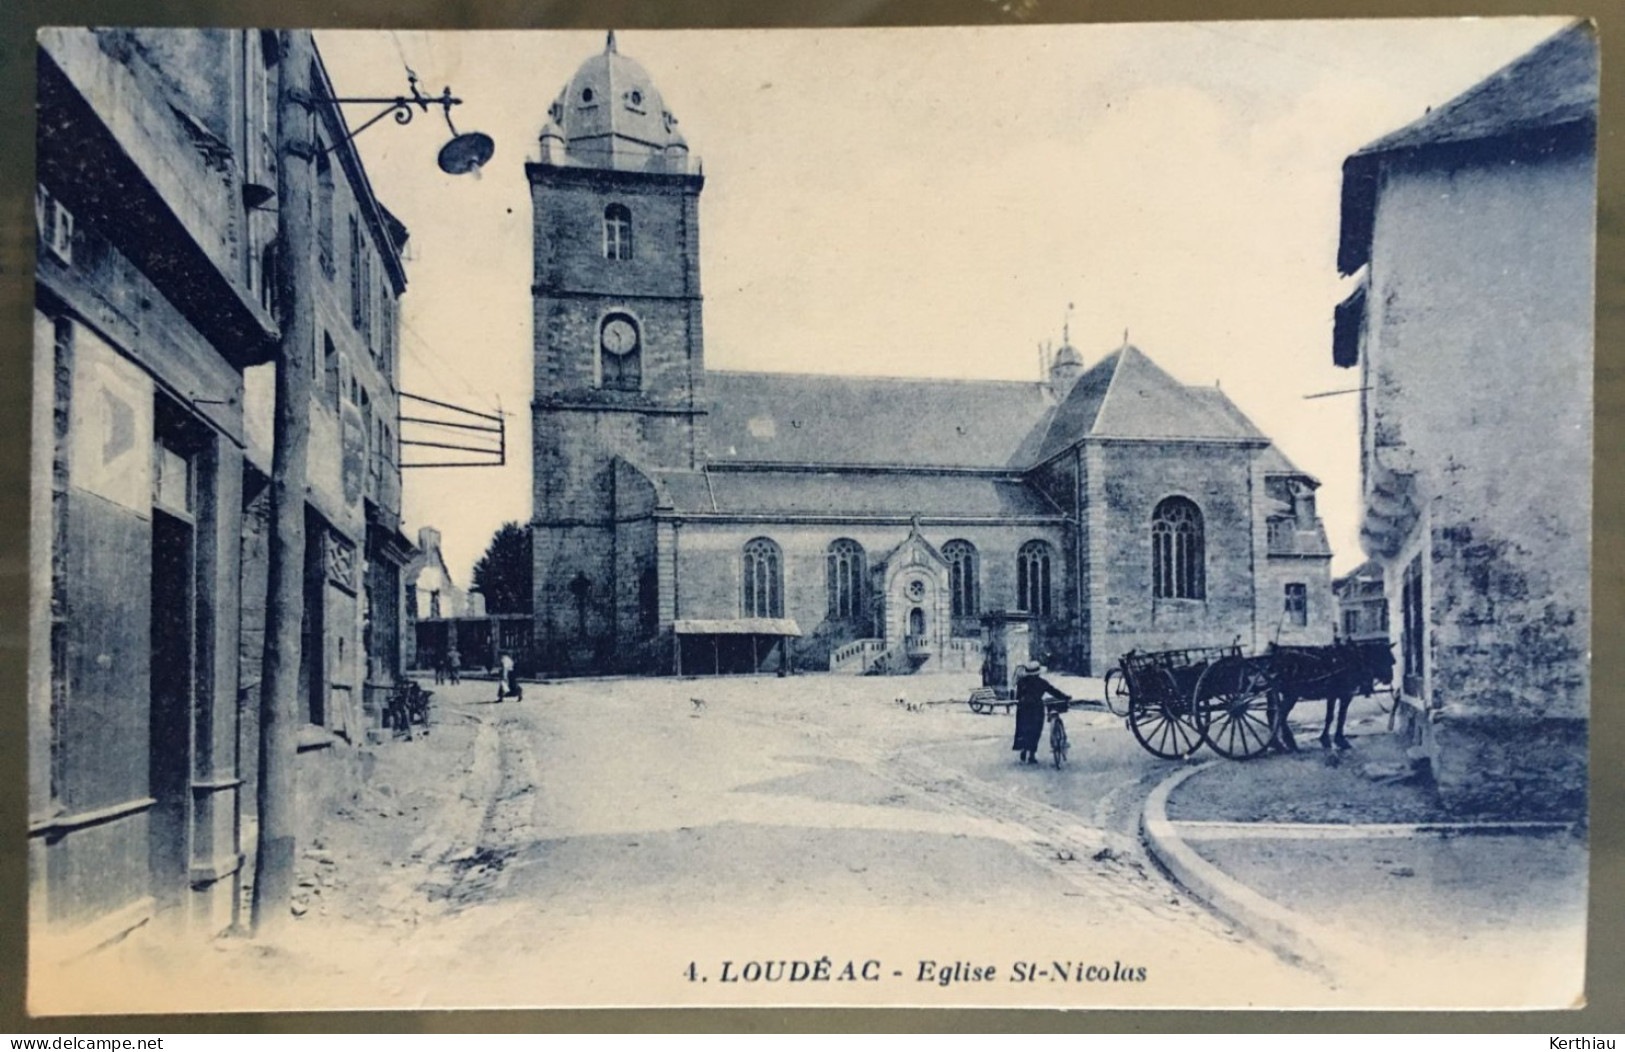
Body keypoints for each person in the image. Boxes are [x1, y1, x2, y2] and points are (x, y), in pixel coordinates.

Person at [1012, 661, 1070, 765]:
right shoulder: (1041, 682)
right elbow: (1054, 691)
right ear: (1038, 673)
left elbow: (1018, 696)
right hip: (1036, 709)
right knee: (1035, 731)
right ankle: (1032, 756)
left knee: (1024, 730)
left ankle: (1024, 749)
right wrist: (1065, 697)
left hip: (1023, 708)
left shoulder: (1021, 682)